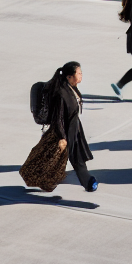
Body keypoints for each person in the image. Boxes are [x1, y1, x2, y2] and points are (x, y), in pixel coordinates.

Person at [43, 61, 97, 192]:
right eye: (78, 73)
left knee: (71, 158)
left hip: (74, 130)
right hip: (65, 132)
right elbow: (58, 117)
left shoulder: (72, 89)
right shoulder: (62, 94)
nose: (81, 75)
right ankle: (88, 182)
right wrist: (62, 137)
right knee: (65, 158)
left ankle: (88, 182)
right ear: (69, 77)